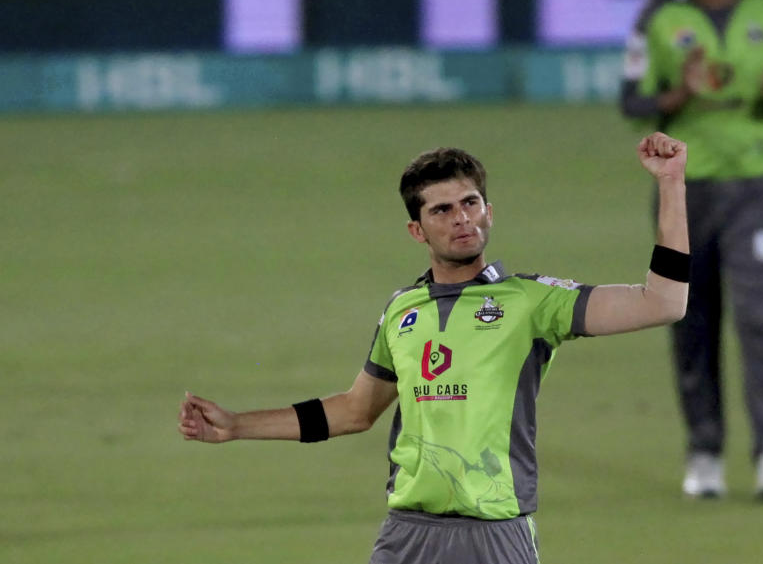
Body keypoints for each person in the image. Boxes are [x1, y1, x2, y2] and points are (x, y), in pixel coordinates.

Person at [179, 133, 690, 564]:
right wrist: (238, 425)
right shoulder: (403, 311)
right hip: (407, 534)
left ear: (490, 211)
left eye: (470, 203)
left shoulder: (532, 303)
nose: (461, 218)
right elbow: (356, 410)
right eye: (442, 209)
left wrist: (670, 185)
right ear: (416, 229)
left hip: (495, 533)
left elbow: (663, 302)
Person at [620, 0, 763, 501]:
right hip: (684, 189)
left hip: (757, 186)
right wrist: (683, 92)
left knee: (758, 315)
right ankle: (705, 451)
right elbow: (633, 100)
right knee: (690, 320)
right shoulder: (659, 15)